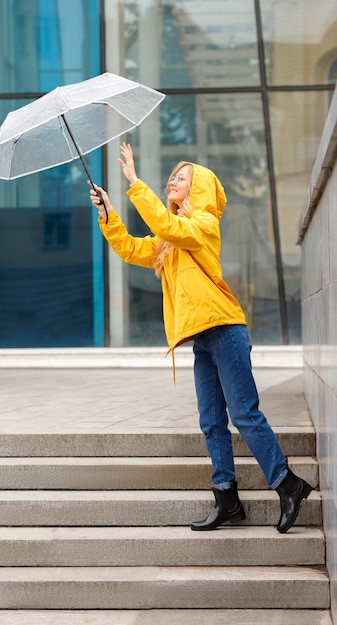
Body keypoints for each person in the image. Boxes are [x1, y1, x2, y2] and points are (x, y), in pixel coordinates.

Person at [89, 142, 313, 533]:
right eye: (172, 176)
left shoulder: (202, 226)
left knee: (244, 414)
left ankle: (288, 484)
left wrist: (134, 182)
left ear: (199, 189)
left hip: (225, 330)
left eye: (182, 177)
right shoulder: (170, 240)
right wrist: (109, 214)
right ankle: (226, 498)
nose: (173, 180)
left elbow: (165, 225)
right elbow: (131, 249)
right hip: (201, 340)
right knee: (211, 422)